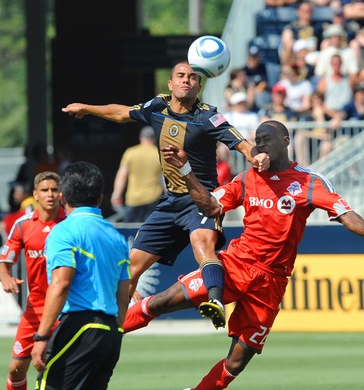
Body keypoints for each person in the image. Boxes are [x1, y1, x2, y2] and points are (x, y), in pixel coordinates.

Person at [121, 120, 364, 390]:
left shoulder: (308, 182)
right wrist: (185, 171)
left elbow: (344, 212)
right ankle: (108, 331)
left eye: (265, 139)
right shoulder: (247, 179)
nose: (259, 145)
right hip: (235, 266)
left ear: (286, 140)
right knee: (163, 302)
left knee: (235, 364)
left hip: (271, 283)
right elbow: (210, 206)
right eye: (256, 140)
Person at [62, 62, 270, 329]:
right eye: (181, 76)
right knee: (131, 269)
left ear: (199, 86)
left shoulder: (208, 117)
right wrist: (87, 108)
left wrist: (258, 155)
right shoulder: (157, 107)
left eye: (193, 77)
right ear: (170, 84)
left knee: (202, 246)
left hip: (202, 200)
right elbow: (122, 113)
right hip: (170, 202)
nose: (187, 80)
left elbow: (241, 143)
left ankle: (216, 302)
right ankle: (110, 329)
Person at [30, 161, 135, 390]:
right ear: (101, 196)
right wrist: (115, 328)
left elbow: (61, 283)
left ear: (62, 196)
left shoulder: (63, 231)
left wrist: (42, 336)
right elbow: (126, 292)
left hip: (78, 325)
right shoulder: (115, 234)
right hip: (110, 331)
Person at [0, 172, 112, 390]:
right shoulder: (22, 225)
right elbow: (3, 264)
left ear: (62, 194)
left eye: (54, 189)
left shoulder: (71, 224)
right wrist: (6, 278)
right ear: (35, 194)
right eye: (44, 189)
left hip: (70, 308)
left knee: (80, 367)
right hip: (35, 311)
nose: (49, 194)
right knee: (16, 369)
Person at [111, 126, 165, 223]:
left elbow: (122, 176)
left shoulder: (130, 152)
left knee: (130, 231)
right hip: (153, 198)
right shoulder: (159, 154)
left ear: (141, 137)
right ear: (155, 139)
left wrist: (116, 195)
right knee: (149, 231)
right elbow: (164, 178)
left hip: (133, 199)